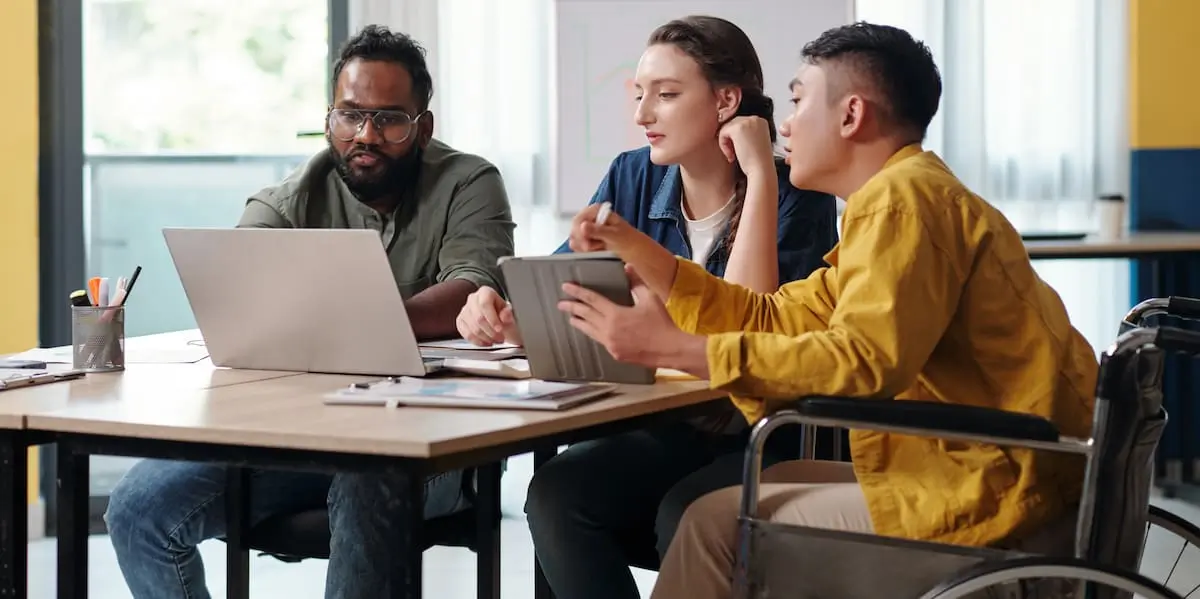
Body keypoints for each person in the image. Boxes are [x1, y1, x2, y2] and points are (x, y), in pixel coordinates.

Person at [555, 22, 1099, 599]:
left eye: (798, 100)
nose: (783, 124)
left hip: (1003, 493)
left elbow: (863, 363)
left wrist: (671, 347)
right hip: (992, 469)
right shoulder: (900, 196)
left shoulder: (902, 203)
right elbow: (774, 316)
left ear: (851, 115)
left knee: (713, 526)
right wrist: (645, 254)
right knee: (730, 501)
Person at [103, 25, 515, 599]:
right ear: (329, 120)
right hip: (294, 437)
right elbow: (238, 301)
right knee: (137, 509)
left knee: (368, 475)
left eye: (389, 119)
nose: (365, 135)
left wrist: (341, 311)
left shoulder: (469, 182)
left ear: (423, 127)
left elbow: (474, 288)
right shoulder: (284, 201)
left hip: (430, 444)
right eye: (350, 116)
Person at [454, 15, 837, 599]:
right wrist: (509, 312)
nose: (642, 115)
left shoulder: (797, 192)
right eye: (640, 95)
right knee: (558, 492)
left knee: (683, 515)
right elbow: (564, 285)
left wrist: (760, 174)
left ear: (726, 101)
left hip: (761, 431)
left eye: (666, 94)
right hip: (665, 422)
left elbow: (747, 318)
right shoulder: (630, 175)